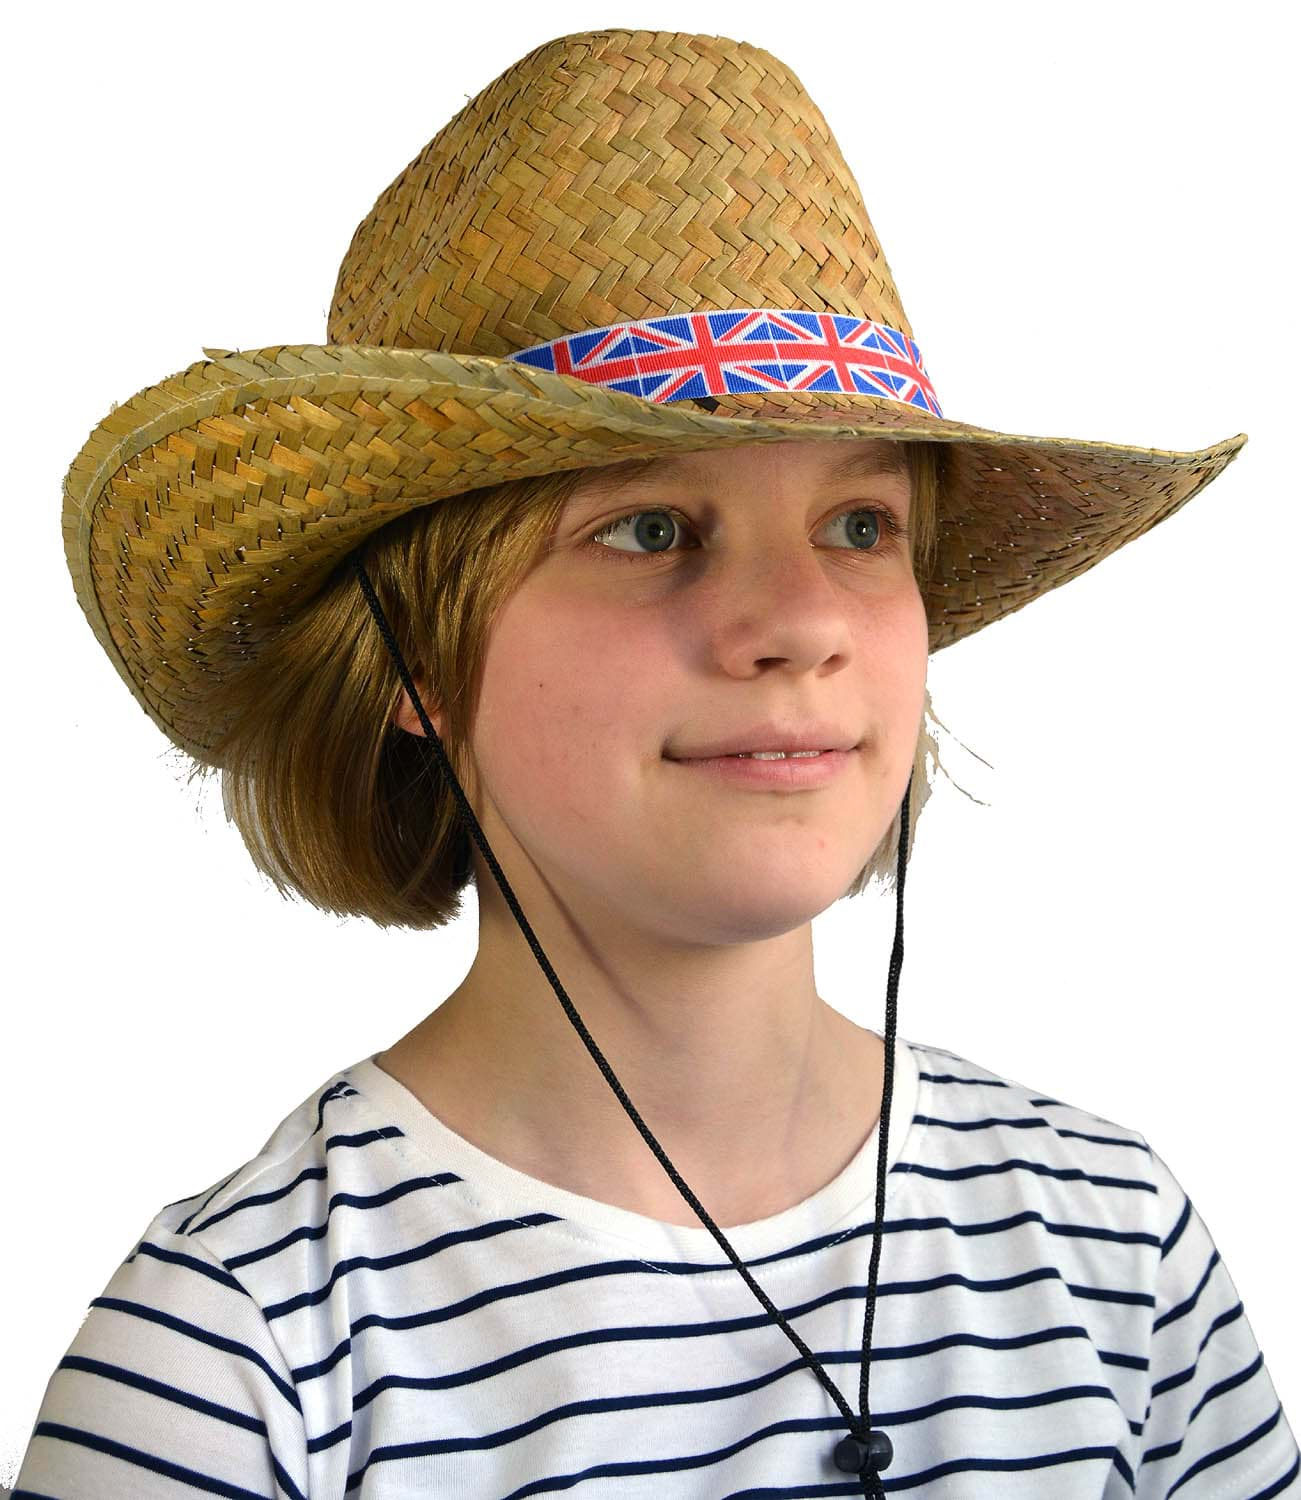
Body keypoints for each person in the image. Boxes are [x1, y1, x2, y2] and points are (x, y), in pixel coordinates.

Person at [15, 27, 1298, 1500]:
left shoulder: (1111, 1248)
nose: (802, 621)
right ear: (417, 659)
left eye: (861, 527)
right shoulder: (238, 1362)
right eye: (648, 530)